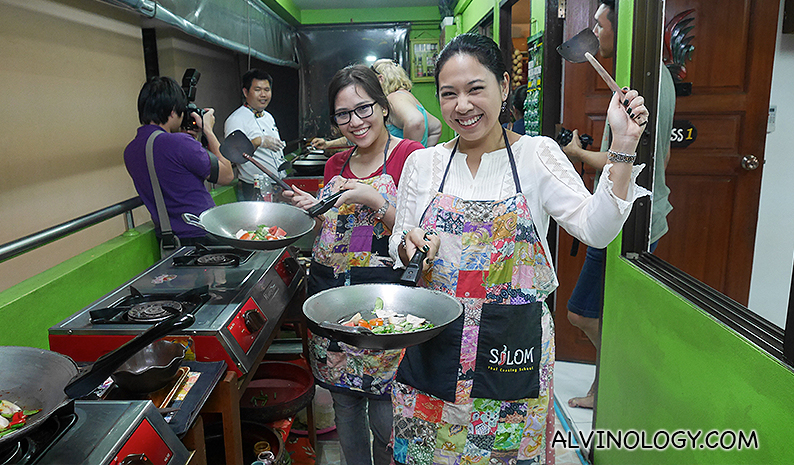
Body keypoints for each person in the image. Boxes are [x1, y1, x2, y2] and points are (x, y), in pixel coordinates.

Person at [390, 33, 649, 464]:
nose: (463, 106)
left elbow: (596, 229)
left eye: (476, 89)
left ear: (505, 86)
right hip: (435, 345)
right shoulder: (424, 163)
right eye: (449, 94)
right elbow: (401, 242)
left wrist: (622, 145)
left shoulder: (537, 155)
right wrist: (411, 245)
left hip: (511, 351)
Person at [283, 65, 424, 465]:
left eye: (363, 109)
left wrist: (372, 199)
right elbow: (338, 236)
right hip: (334, 302)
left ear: (383, 107)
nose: (354, 122)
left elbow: (421, 232)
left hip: (384, 308)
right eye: (343, 115)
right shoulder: (335, 164)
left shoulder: (410, 157)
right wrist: (316, 211)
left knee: (386, 416)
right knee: (344, 407)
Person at [561, 0, 675, 410]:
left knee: (582, 313)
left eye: (600, 24)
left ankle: (617, 379)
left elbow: (619, 162)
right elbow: (659, 159)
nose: (595, 32)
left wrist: (575, 152)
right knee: (604, 310)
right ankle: (604, 385)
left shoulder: (640, 88)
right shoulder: (650, 80)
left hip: (629, 218)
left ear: (621, 29)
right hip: (632, 211)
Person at [124, 76, 234, 248]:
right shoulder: (179, 143)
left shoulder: (130, 150)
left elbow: (174, 174)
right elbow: (227, 175)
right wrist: (208, 130)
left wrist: (192, 140)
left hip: (168, 242)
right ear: (173, 111)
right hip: (203, 237)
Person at [312, 59, 443, 150]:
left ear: (380, 79)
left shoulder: (393, 99)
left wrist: (407, 156)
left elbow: (415, 121)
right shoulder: (409, 98)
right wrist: (424, 152)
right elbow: (436, 127)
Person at [224, 68, 286, 200]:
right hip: (254, 188)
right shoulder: (236, 119)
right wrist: (258, 141)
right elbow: (233, 155)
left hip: (279, 183)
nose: (263, 94)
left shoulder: (269, 116)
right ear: (245, 92)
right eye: (258, 90)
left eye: (267, 90)